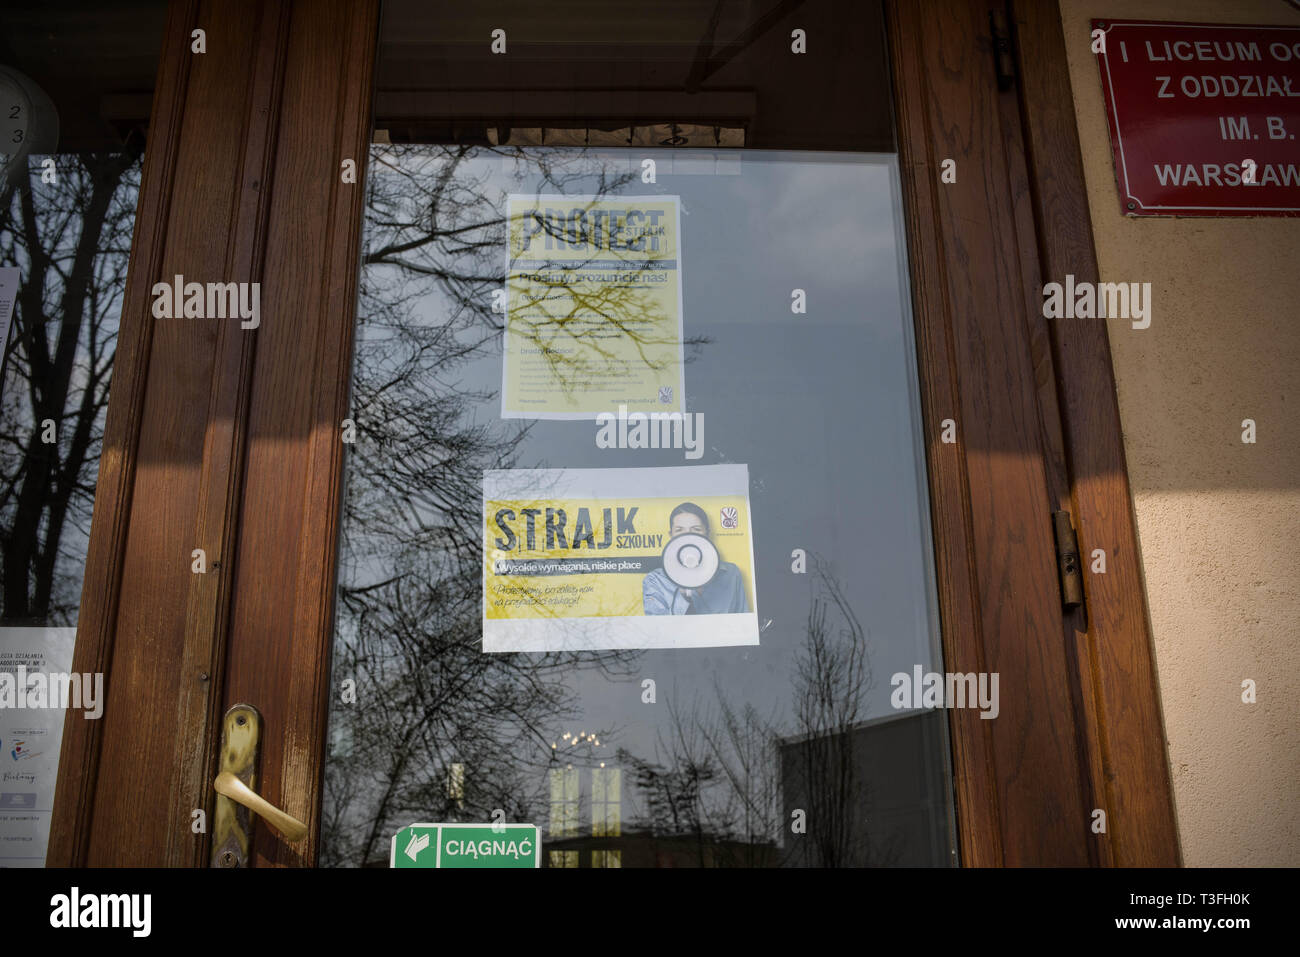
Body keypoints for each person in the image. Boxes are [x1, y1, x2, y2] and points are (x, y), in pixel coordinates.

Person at [642, 502, 748, 615]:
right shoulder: (655, 580)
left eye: (696, 529)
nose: (688, 536)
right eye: (679, 530)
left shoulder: (731, 573)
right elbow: (656, 629)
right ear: (671, 535)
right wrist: (683, 598)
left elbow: (743, 622)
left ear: (707, 533)